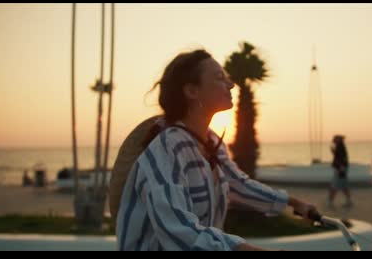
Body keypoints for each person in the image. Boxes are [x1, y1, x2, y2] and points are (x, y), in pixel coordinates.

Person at [113, 49, 318, 251]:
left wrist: (294, 203)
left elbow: (238, 184)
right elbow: (177, 228)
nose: (231, 84)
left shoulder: (210, 141)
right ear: (192, 91)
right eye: (220, 78)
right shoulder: (167, 147)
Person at [328, 135, 353, 208]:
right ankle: (349, 201)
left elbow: (342, 158)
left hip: (340, 169)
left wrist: (341, 167)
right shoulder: (340, 147)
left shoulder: (340, 147)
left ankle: (330, 201)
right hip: (341, 169)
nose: (333, 140)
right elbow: (340, 156)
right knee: (343, 186)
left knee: (334, 185)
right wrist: (333, 151)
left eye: (335, 139)